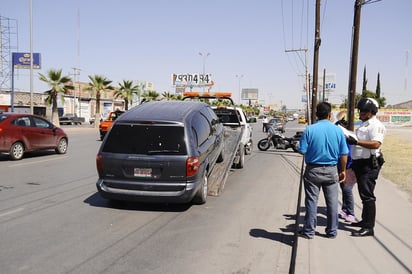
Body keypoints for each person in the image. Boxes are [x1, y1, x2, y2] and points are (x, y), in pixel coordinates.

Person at [298, 102, 349, 239]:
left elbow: (302, 150)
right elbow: (344, 154)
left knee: (311, 201)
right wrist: (342, 170)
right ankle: (332, 231)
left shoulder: (310, 129)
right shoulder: (338, 130)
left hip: (313, 170)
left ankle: (309, 231)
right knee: (332, 202)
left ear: (316, 115)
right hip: (332, 170)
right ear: (329, 114)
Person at [347, 98, 386, 237]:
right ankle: (364, 221)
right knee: (363, 194)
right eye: (360, 110)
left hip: (369, 164)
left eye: (364, 111)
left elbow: (376, 144)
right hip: (360, 164)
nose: (361, 113)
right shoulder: (364, 125)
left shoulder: (376, 125)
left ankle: (369, 227)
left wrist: (356, 141)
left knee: (368, 196)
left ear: (371, 112)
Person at [335, 118, 357, 223]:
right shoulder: (339, 139)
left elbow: (347, 154)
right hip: (342, 167)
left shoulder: (349, 138)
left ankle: (351, 213)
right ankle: (344, 210)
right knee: (344, 189)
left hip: (351, 168)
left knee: (347, 190)